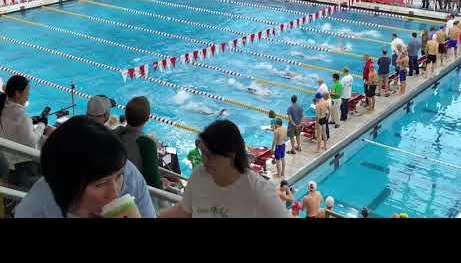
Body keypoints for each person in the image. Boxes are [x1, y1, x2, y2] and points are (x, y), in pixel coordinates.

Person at [14, 116, 156, 218]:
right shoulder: (36, 209)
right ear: (66, 188)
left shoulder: (130, 177)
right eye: (100, 184)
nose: (115, 195)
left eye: (118, 177)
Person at [158, 120, 289, 218]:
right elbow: (184, 209)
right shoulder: (199, 175)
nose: (205, 160)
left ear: (231, 155)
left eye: (211, 156)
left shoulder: (259, 191)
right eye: (203, 152)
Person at [0, 75, 55, 190]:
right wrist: (41, 124)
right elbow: (31, 142)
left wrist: (31, 121)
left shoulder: (3, 107)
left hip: (6, 159)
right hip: (21, 166)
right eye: (27, 91)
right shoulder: (22, 116)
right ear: (17, 93)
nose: (28, 95)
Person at [113, 96, 162, 189]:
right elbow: (153, 181)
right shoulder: (146, 144)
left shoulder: (114, 134)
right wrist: (162, 184)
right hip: (132, 192)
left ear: (126, 115)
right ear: (147, 118)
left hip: (115, 185)